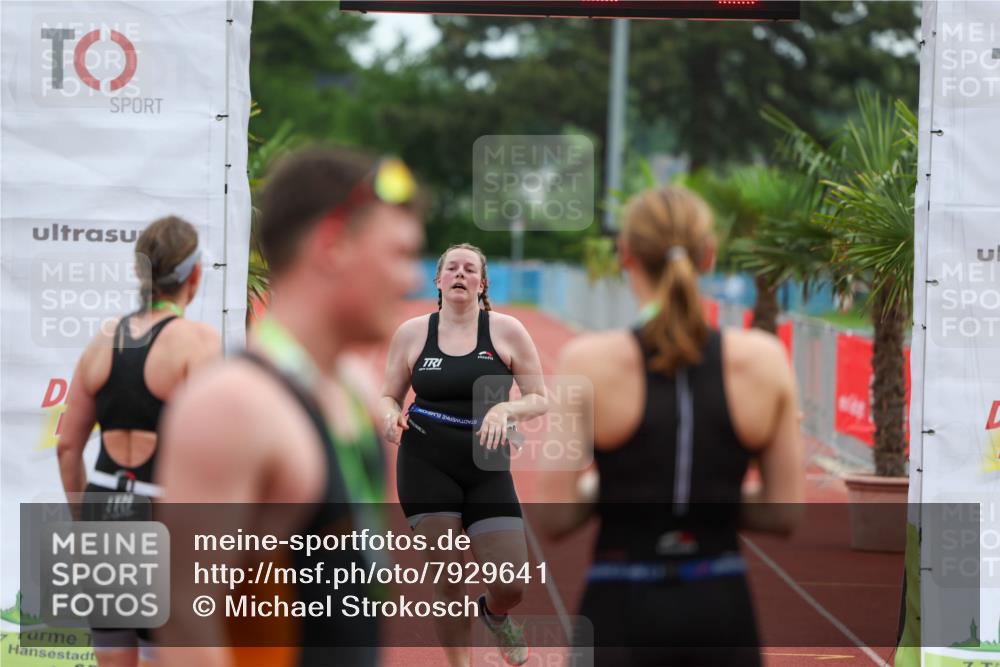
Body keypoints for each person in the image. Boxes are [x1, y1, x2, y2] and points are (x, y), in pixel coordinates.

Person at [156, 147, 424, 667]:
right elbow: (186, 619)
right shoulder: (234, 405)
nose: (411, 279)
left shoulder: (355, 390)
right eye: (397, 253)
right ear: (334, 244)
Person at [538, 185, 805, 665]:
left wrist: (626, 488)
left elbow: (554, 515)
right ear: (709, 256)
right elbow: (783, 513)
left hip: (619, 603)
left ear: (624, 254)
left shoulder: (588, 363)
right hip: (720, 604)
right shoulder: (764, 360)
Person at [56, 215, 221, 667]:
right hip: (166, 514)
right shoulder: (198, 342)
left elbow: (68, 448)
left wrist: (85, 522)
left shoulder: (101, 342)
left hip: (104, 507)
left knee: (112, 657)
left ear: (139, 273)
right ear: (195, 276)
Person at [380, 243, 548, 667]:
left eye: (469, 269)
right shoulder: (414, 333)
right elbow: (388, 395)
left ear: (482, 282)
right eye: (451, 268)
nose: (459, 274)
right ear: (437, 280)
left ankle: (495, 613)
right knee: (448, 579)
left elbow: (538, 398)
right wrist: (386, 416)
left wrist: (506, 408)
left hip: (487, 466)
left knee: (511, 583)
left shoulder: (507, 330)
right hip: (425, 463)